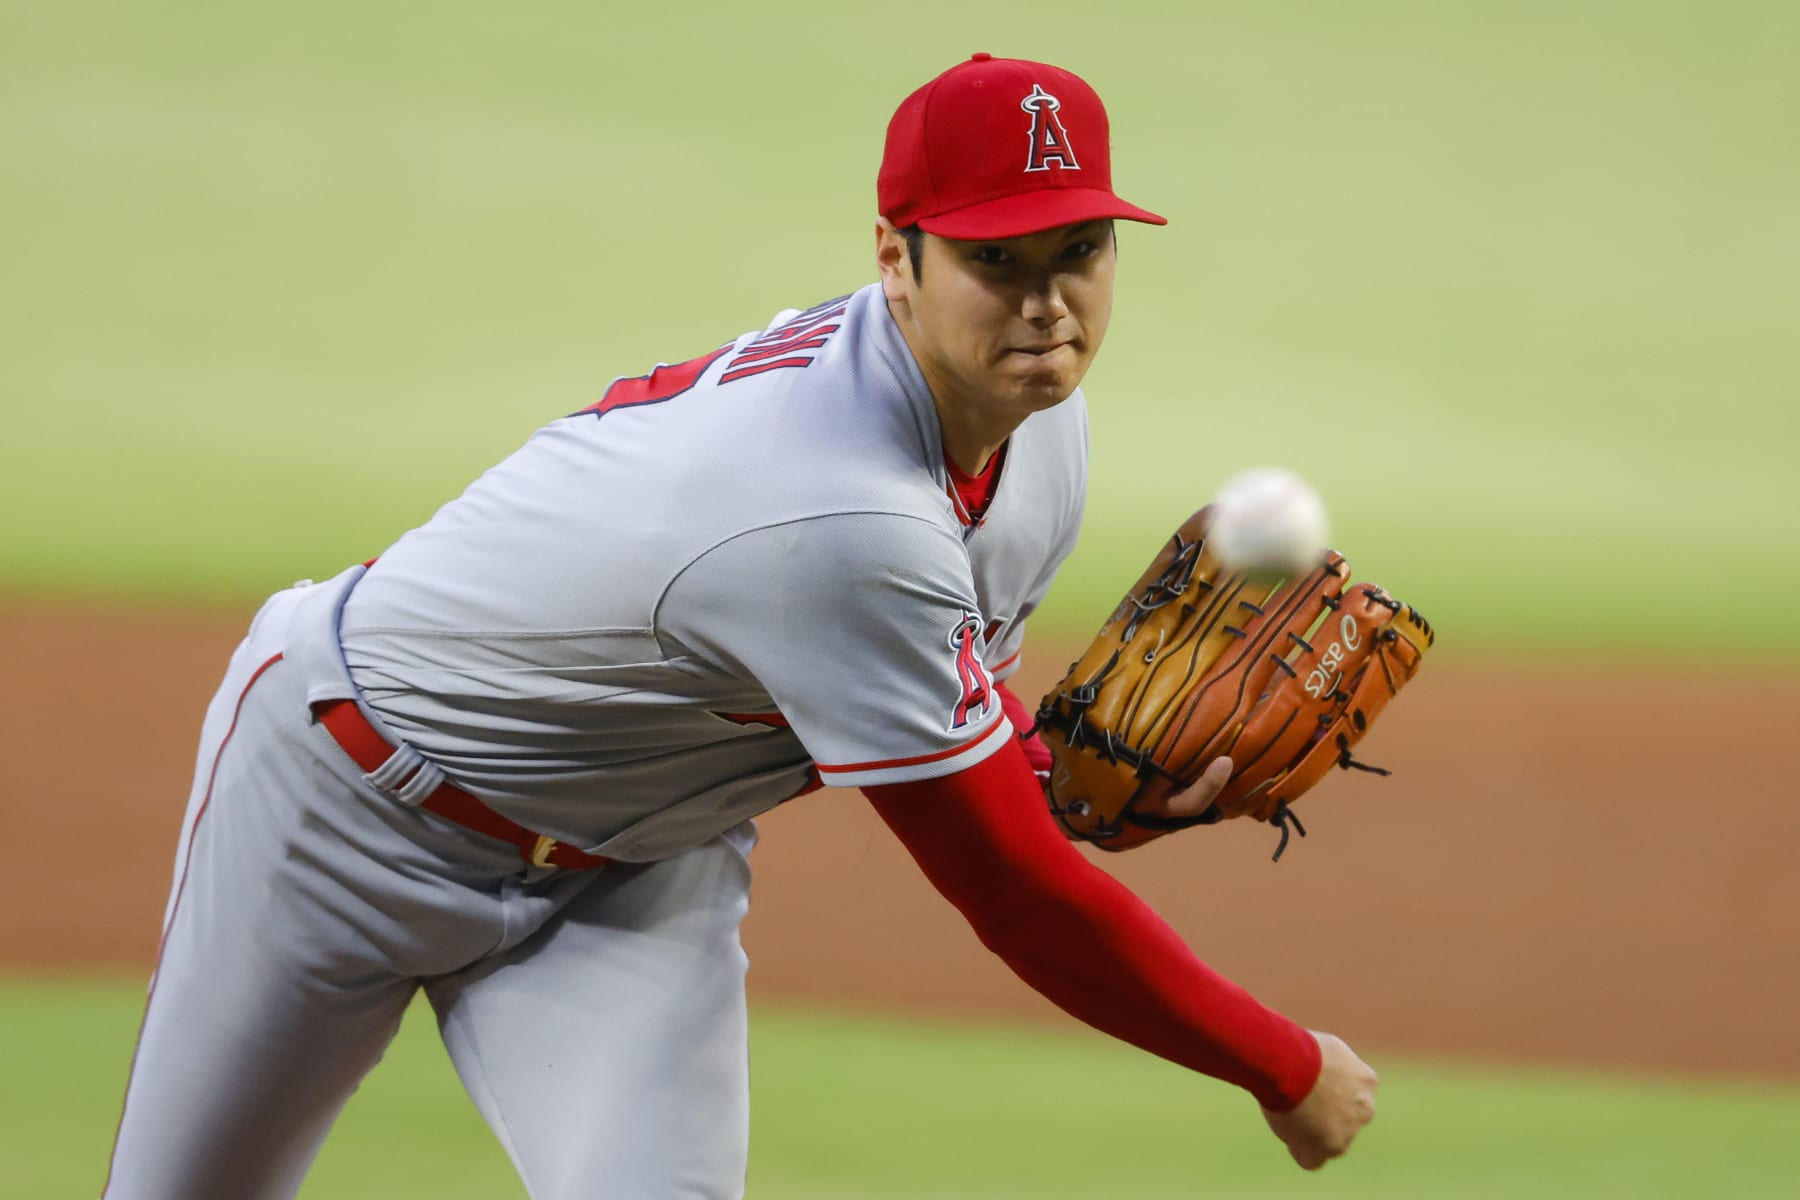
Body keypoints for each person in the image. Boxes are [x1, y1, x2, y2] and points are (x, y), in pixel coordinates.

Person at [104, 52, 1377, 1199]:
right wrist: (1280, 1064)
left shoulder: (1039, 428)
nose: (1047, 304)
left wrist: (1079, 781)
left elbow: (979, 742)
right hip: (344, 807)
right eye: (996, 259)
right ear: (896, 256)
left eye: (1078, 248)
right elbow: (1015, 895)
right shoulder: (834, 516)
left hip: (637, 862)